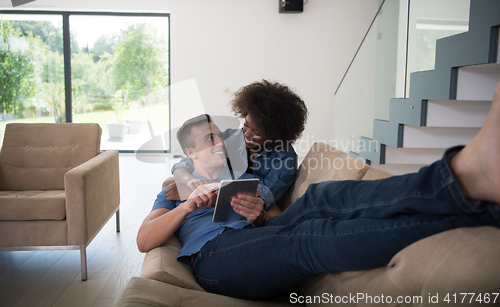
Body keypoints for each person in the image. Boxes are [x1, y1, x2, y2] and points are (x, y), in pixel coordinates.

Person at [137, 81, 500, 300]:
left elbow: (271, 215)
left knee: (320, 198)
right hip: (217, 257)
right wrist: (185, 208)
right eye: (212, 138)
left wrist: (259, 211)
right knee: (309, 238)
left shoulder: (255, 167)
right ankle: (481, 211)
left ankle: (461, 178)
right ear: (190, 152)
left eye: (225, 133)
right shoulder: (175, 188)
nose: (230, 138)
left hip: (258, 235)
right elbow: (143, 239)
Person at [166, 80, 308, 207]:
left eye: (257, 132)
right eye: (246, 125)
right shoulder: (230, 137)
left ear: (275, 134)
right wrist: (189, 180)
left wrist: (206, 190)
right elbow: (186, 162)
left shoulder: (285, 158)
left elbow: (264, 197)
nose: (246, 134)